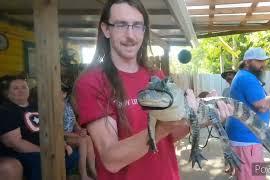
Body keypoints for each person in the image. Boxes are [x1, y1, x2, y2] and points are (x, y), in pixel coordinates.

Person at [74, 1, 233, 180]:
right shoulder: (92, 82)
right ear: (106, 29)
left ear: (144, 30)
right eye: (121, 25)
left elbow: (168, 137)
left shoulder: (155, 76)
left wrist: (202, 119)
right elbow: (111, 159)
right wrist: (164, 128)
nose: (130, 35)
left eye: (137, 26)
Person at [225, 47, 270, 180]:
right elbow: (262, 106)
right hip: (246, 139)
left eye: (264, 61)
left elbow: (265, 104)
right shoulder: (247, 78)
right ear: (247, 62)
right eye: (259, 61)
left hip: (247, 137)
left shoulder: (246, 76)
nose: (263, 65)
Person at [0, 75, 79, 180]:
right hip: (23, 154)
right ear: (8, 93)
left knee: (72, 156)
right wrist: (45, 152)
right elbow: (15, 143)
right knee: (43, 162)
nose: (21, 90)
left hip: (45, 150)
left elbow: (51, 129)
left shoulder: (37, 106)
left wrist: (62, 144)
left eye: (24, 87)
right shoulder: (6, 110)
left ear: (29, 89)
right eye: (15, 88)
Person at [61, 85, 96, 180]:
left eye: (62, 92)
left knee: (87, 138)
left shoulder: (68, 106)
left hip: (71, 136)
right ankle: (83, 174)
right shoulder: (54, 109)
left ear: (65, 94)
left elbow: (74, 124)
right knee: (82, 140)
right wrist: (76, 134)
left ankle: (93, 170)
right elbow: (57, 131)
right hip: (61, 138)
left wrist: (80, 130)